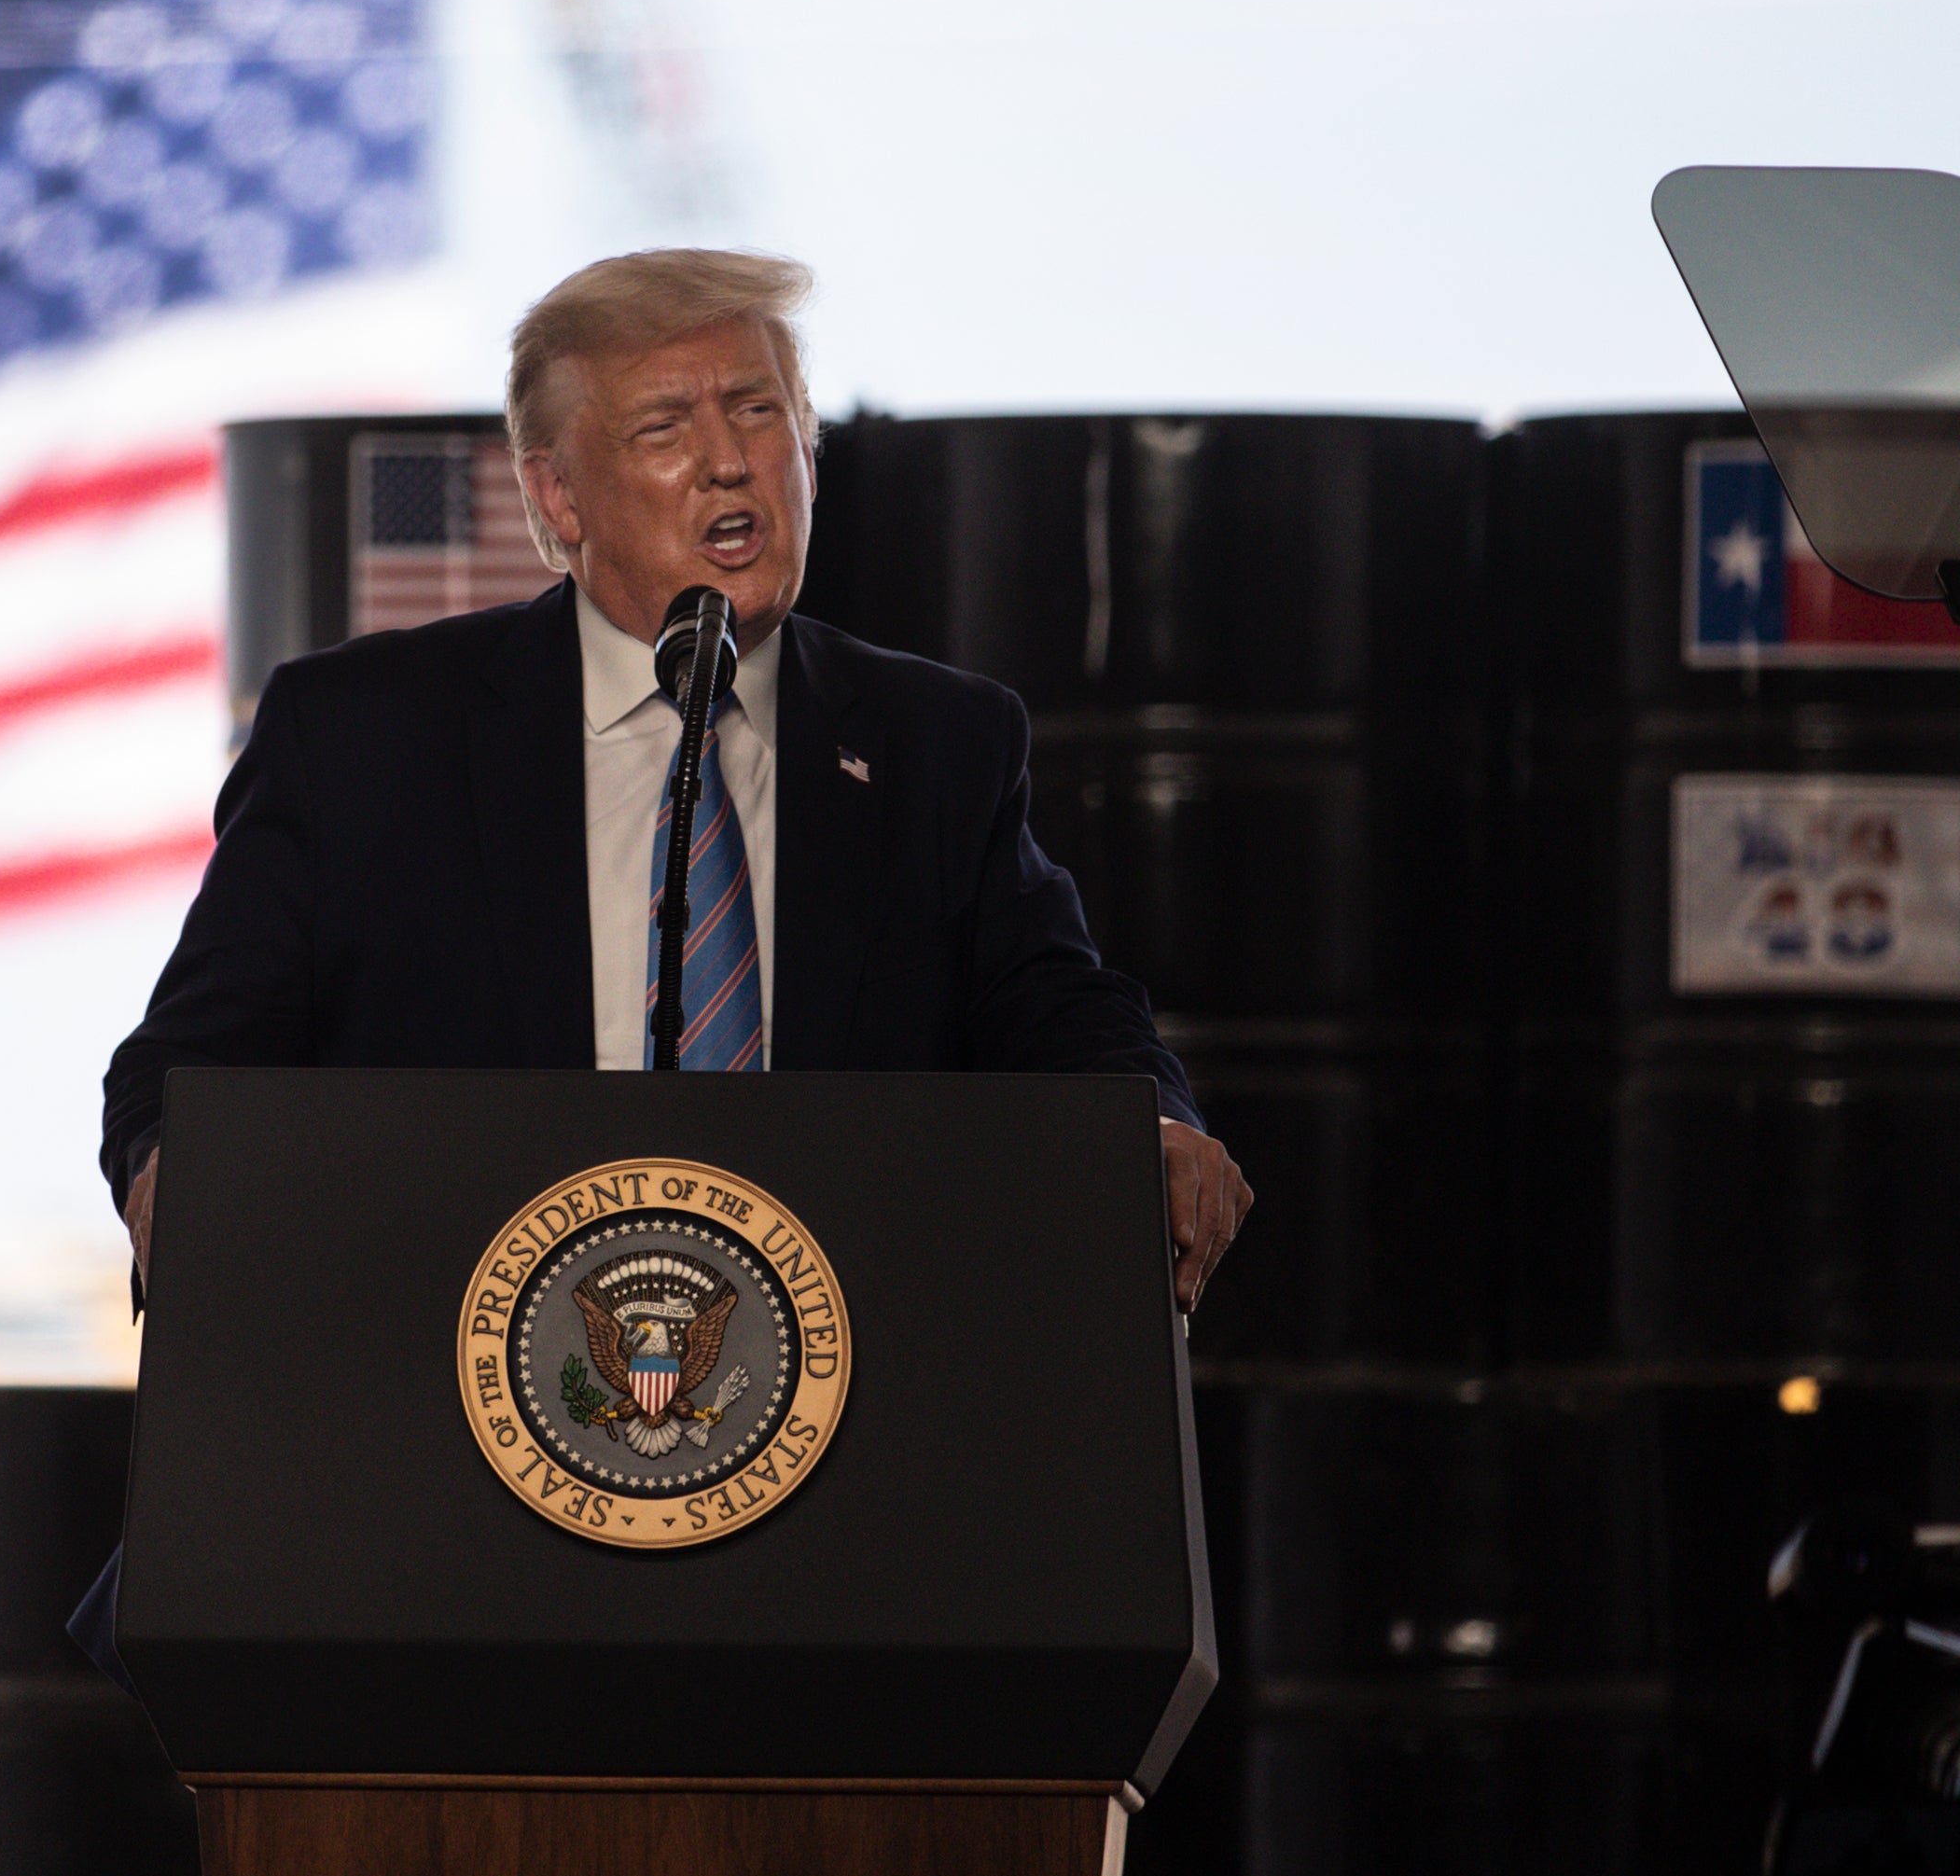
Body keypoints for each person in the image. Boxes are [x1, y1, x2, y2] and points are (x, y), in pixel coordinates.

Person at [96, 247, 1250, 1302]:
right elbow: (190, 1061)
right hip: (436, 1389)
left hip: (840, 1401)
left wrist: (1149, 1120)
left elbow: (1056, 1009)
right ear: (558, 497)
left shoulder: (933, 743)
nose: (728, 460)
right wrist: (175, 1177)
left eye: (759, 411)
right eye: (663, 429)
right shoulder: (362, 738)